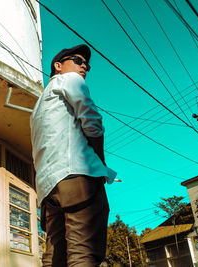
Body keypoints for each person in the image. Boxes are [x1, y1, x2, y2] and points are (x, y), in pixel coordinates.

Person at [30, 44, 116, 267]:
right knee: (84, 253)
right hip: (77, 176)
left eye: (87, 65)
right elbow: (94, 124)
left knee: (54, 256)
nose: (84, 66)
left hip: (49, 189)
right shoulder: (70, 80)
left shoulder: (39, 105)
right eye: (78, 61)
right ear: (58, 66)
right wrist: (100, 163)